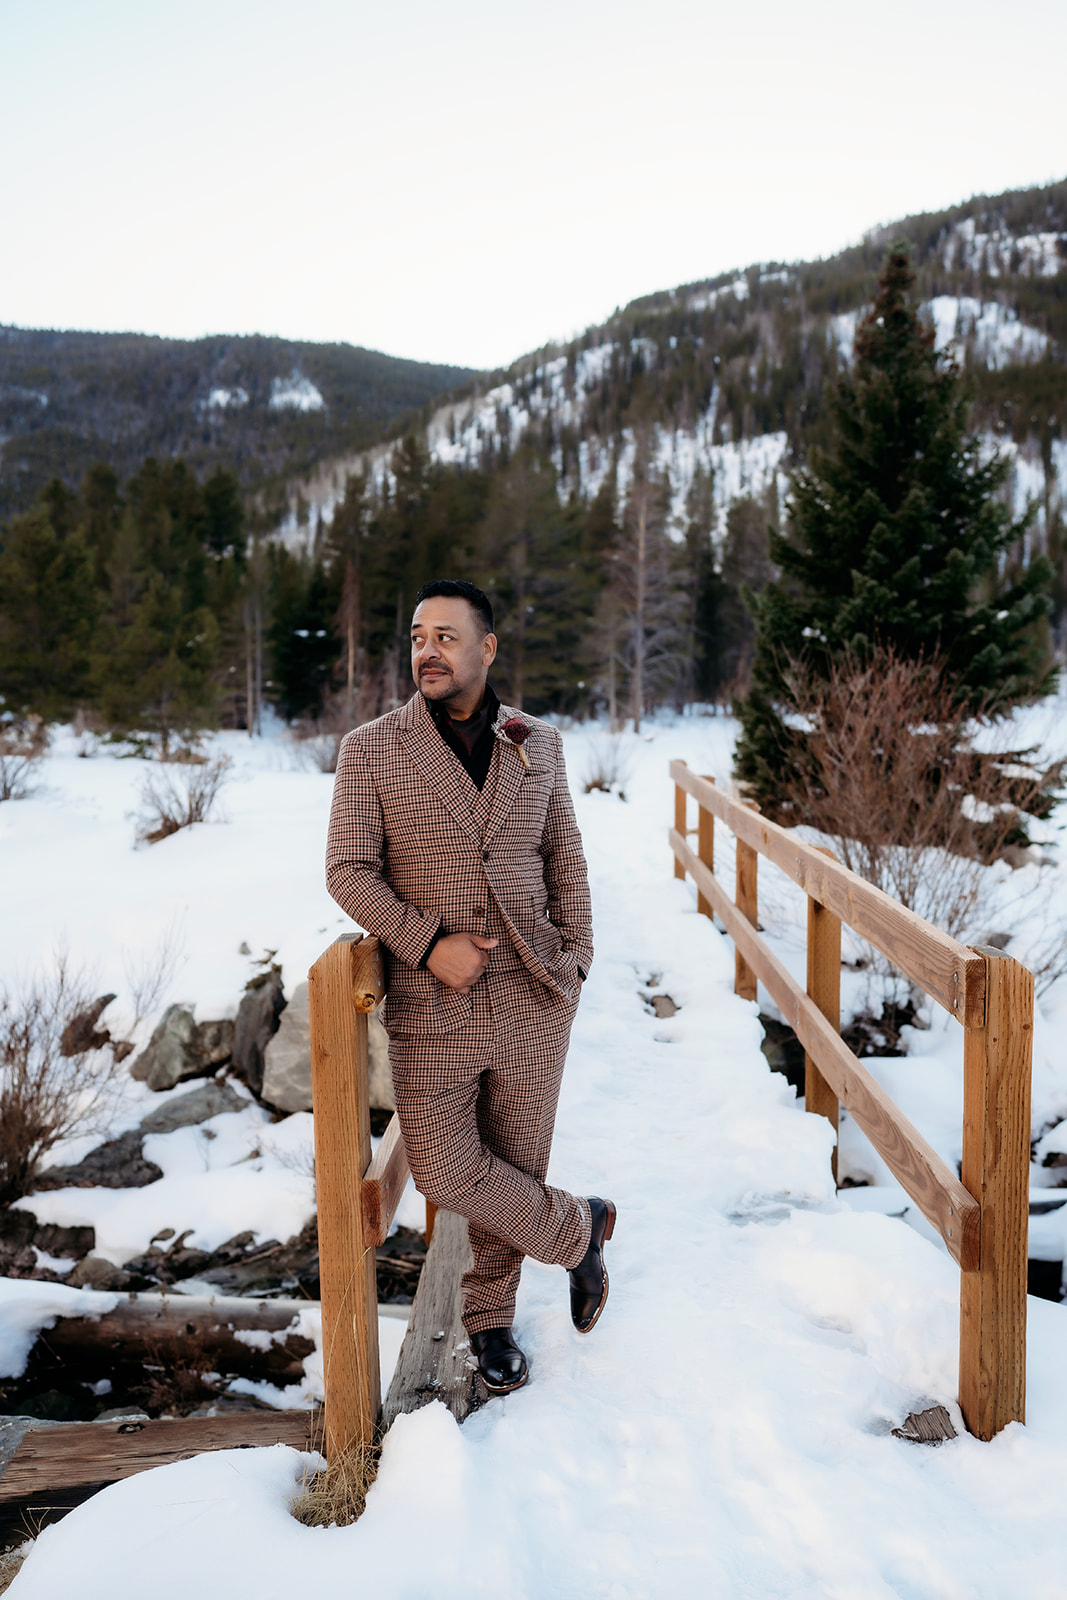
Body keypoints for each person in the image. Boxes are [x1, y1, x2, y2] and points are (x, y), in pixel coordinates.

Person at [325, 577, 615, 1395]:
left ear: (486, 648)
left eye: (445, 638)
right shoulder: (371, 749)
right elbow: (347, 870)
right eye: (418, 637)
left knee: (517, 1158)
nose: (428, 651)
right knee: (449, 1172)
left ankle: (490, 1320)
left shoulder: (536, 743)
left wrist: (577, 957)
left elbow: (564, 857)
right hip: (432, 1001)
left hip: (534, 991)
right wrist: (427, 946)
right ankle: (578, 1229)